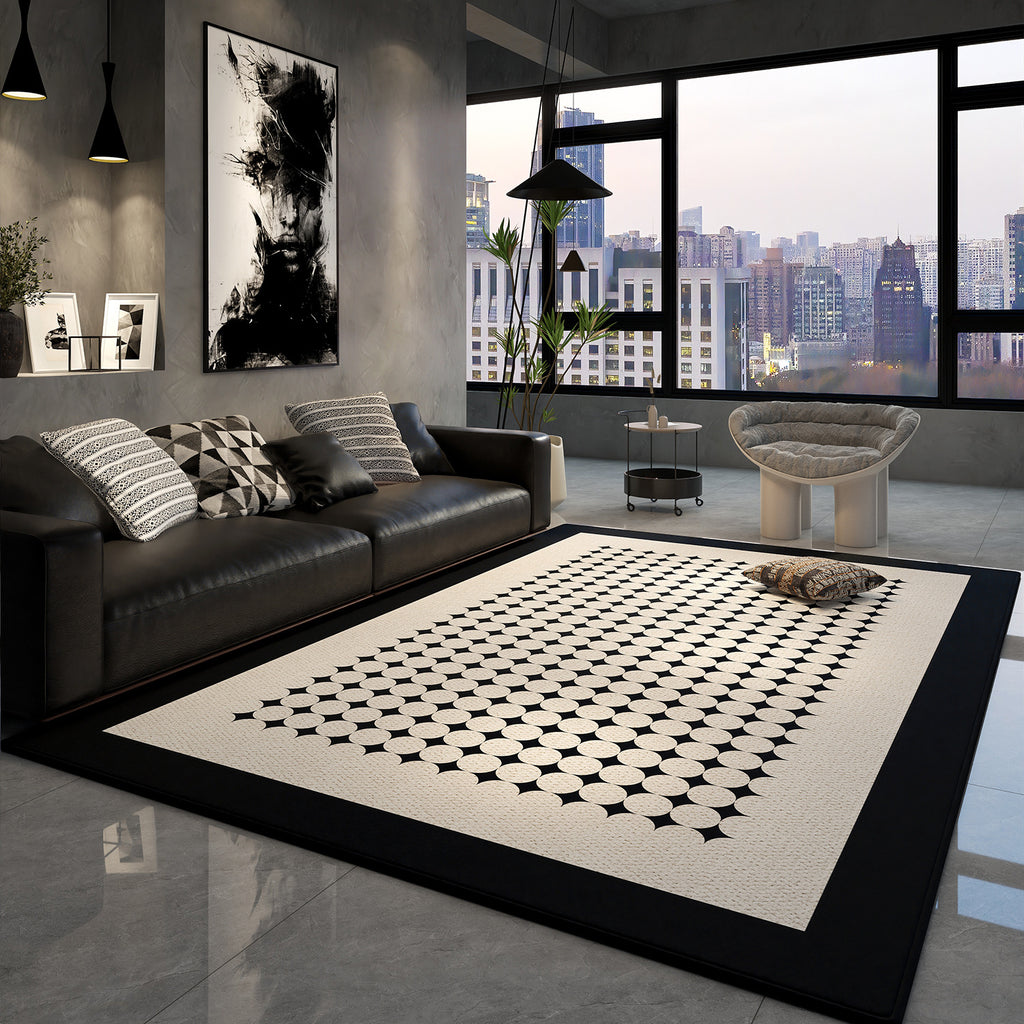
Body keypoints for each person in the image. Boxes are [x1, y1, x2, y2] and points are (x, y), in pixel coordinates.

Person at [209, 39, 338, 370]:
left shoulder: (334, 327)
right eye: (271, 186)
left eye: (306, 192)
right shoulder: (231, 340)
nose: (289, 216)